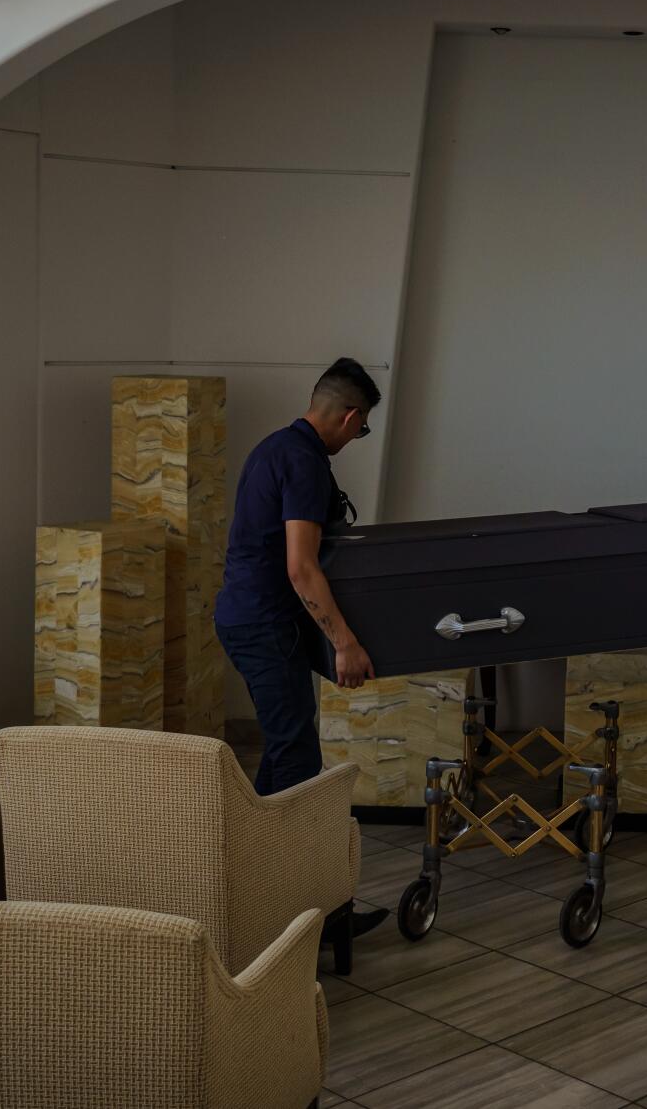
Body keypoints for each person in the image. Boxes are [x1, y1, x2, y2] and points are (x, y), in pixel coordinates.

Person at [214, 357, 388, 935]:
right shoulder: (307, 463)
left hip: (247, 617)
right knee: (297, 762)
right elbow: (301, 567)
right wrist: (345, 643)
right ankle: (298, 919)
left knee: (286, 754)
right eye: (360, 431)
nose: (355, 439)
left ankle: (246, 890)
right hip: (264, 623)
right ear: (350, 416)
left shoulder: (273, 448)